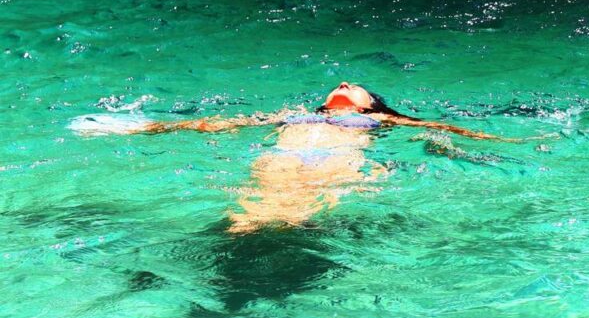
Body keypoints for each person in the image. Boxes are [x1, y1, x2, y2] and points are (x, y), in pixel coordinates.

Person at [131, 82, 514, 234]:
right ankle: (244, 245)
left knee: (297, 210)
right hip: (285, 154)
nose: (346, 84)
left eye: (357, 87)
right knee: (249, 212)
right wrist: (158, 128)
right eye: (342, 84)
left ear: (370, 105)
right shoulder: (294, 113)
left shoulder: (374, 119)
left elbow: (438, 127)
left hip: (336, 158)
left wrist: (496, 139)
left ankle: (281, 247)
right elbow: (228, 123)